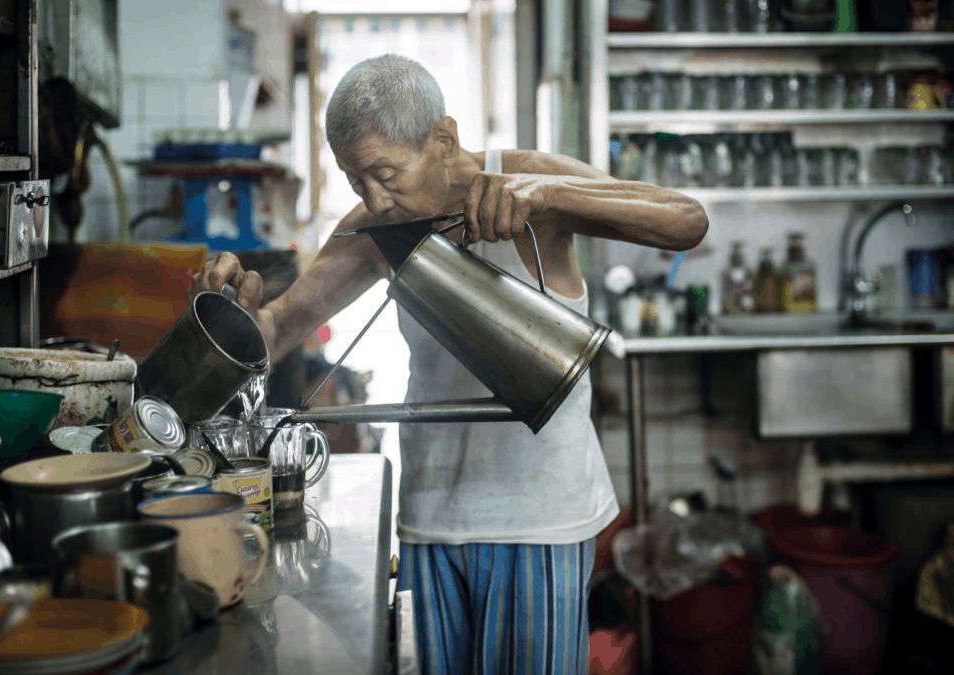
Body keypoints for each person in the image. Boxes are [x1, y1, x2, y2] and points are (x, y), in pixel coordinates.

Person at [191, 54, 708, 675]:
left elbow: (687, 221)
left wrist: (549, 196)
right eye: (356, 182)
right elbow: (277, 329)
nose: (375, 199)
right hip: (431, 517)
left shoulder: (534, 182)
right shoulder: (378, 226)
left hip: (538, 520)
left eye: (386, 173)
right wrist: (235, 308)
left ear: (443, 139)